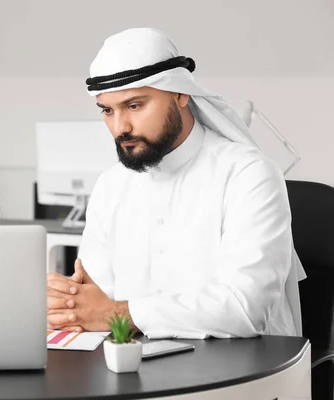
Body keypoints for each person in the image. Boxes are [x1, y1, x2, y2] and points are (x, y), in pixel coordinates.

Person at [46, 28, 305, 339]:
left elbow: (244, 309)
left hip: (244, 372)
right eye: (108, 111)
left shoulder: (249, 174)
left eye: (134, 106)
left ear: (181, 93)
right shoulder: (110, 187)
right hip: (135, 366)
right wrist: (66, 302)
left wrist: (112, 313)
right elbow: (94, 301)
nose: (120, 127)